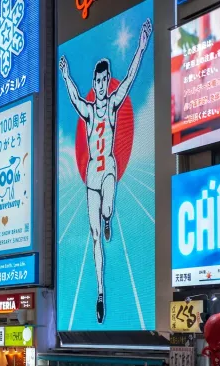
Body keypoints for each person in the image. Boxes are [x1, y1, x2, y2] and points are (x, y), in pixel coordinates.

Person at [58, 18, 152, 323]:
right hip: (91, 178)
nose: (101, 85)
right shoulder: (87, 110)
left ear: (107, 80)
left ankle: (109, 216)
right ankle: (100, 292)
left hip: (108, 168)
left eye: (105, 79)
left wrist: (141, 45)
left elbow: (131, 77)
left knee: (108, 207)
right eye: (98, 81)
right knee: (95, 237)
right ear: (94, 82)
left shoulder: (112, 105)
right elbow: (73, 96)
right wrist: (65, 75)